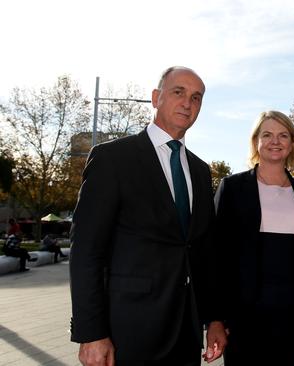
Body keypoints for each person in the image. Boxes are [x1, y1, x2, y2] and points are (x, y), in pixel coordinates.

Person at [69, 66, 227, 366]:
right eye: (178, 92)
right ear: (156, 98)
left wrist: (214, 319)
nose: (187, 103)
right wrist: (91, 333)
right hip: (127, 331)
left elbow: (204, 253)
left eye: (196, 97)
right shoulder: (112, 159)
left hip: (185, 331)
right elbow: (86, 251)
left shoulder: (200, 171)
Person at [213, 110, 294, 365]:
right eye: (268, 135)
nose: (276, 141)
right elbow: (216, 255)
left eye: (283, 135)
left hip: (290, 313)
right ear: (256, 142)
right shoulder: (232, 188)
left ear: (292, 143)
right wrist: (215, 318)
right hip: (242, 314)